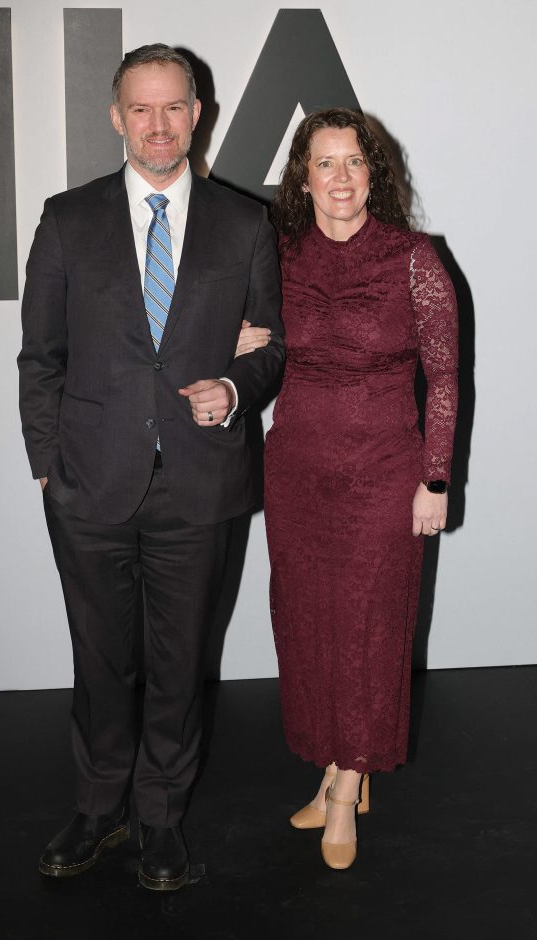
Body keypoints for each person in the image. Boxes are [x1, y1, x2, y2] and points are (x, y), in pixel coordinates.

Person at [17, 44, 284, 891]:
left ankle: (161, 816)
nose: (158, 124)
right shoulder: (67, 219)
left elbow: (272, 350)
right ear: (116, 117)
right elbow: (41, 356)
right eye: (142, 108)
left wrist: (234, 389)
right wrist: (48, 466)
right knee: (100, 660)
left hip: (199, 485)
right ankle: (99, 805)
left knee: (180, 664)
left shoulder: (245, 224)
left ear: (197, 114)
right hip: (90, 483)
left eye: (174, 107)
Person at [260, 108, 458, 870]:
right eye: (324, 163)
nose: (340, 177)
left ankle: (348, 789)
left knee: (370, 628)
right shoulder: (279, 257)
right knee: (310, 624)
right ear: (303, 178)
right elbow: (257, 347)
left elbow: (445, 378)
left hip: (383, 473)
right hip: (297, 473)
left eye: (354, 162)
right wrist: (241, 339)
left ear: (375, 174)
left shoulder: (413, 259)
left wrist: (434, 478)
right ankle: (333, 765)